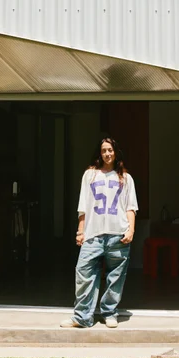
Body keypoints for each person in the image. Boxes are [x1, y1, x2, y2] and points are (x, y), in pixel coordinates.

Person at [60, 137, 138, 328]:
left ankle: (109, 312)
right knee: (84, 272)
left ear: (116, 152)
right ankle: (82, 317)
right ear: (99, 153)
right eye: (104, 150)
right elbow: (83, 206)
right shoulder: (90, 175)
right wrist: (80, 231)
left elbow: (130, 207)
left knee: (116, 276)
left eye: (110, 150)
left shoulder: (126, 178)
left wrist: (131, 230)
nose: (107, 154)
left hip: (118, 233)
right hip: (93, 234)